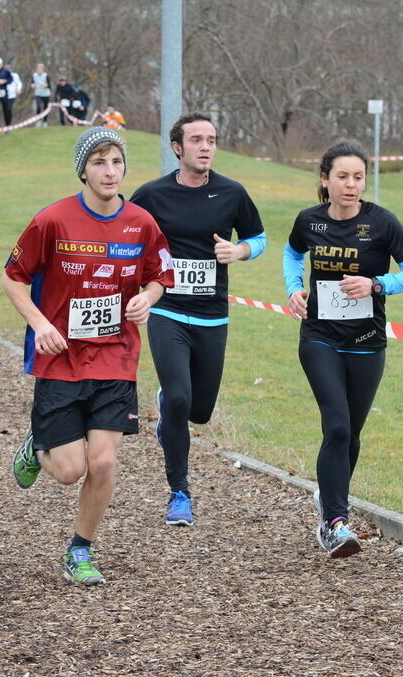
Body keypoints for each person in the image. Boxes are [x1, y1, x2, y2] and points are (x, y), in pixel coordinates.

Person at [3, 127, 175, 585]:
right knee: (68, 470)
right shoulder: (53, 220)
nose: (109, 170)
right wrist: (40, 324)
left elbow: (161, 274)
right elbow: (13, 277)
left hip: (116, 355)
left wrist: (149, 298)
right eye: (99, 162)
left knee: (102, 462)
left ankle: (80, 550)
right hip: (61, 357)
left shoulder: (142, 223)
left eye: (116, 162)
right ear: (83, 169)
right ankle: (37, 446)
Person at [284, 140, 403, 557]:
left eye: (358, 177)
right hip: (319, 338)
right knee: (338, 425)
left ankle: (329, 498)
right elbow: (293, 254)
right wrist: (294, 288)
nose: (351, 185)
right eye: (342, 176)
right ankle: (335, 523)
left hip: (367, 342)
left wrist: (377, 284)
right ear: (325, 180)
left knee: (352, 435)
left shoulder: (382, 223)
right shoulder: (309, 221)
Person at [130, 113, 266, 526]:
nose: (206, 147)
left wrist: (239, 252)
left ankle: (170, 410)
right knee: (180, 398)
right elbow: (122, 229)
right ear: (178, 147)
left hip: (212, 314)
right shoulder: (152, 195)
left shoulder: (231, 192)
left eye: (211, 140)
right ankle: (179, 493)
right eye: (197, 140)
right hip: (167, 308)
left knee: (200, 410)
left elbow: (258, 238)